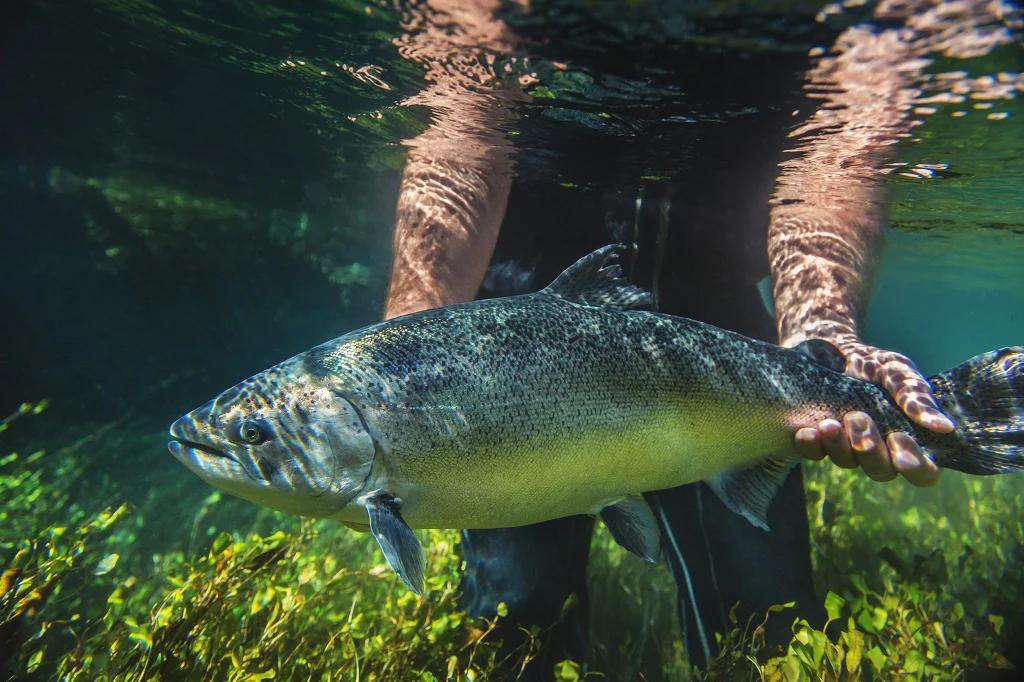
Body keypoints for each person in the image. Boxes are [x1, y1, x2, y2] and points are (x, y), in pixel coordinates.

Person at [380, 0, 1004, 675]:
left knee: (769, 622)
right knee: (513, 620)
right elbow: (460, 146)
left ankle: (973, 416)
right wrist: (403, 352)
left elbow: (844, 145)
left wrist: (821, 332)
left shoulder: (854, 14)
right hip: (508, 355)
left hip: (719, 343)